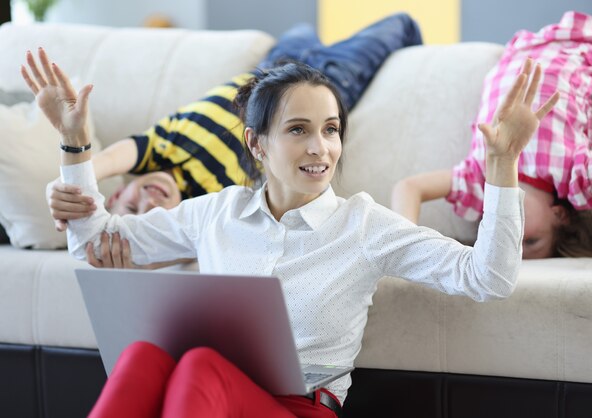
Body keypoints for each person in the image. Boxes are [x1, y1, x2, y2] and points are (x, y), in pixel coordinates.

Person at [22, 46, 557, 416]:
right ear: (257, 145)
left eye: (329, 130)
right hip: (205, 398)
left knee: (201, 364)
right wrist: (74, 143)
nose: (319, 148)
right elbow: (94, 244)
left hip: (297, 409)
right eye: (298, 130)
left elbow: (488, 278)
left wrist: (502, 165)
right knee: (142, 356)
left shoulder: (364, 225)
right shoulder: (216, 213)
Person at [43, 13, 422, 228]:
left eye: (130, 206)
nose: (149, 204)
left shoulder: (159, 146)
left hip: (274, 65)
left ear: (120, 191)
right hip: (329, 79)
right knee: (401, 24)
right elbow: (161, 249)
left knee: (301, 27)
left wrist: (72, 190)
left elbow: (105, 162)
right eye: (150, 218)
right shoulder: (217, 203)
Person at [391, 11, 592, 259]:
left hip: (519, 51)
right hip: (584, 46)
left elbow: (408, 187)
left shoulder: (480, 182)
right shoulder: (574, 174)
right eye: (531, 241)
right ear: (559, 216)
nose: (512, 237)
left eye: (503, 244)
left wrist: (407, 249)